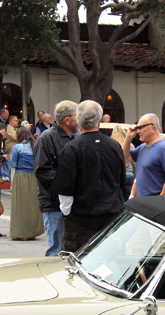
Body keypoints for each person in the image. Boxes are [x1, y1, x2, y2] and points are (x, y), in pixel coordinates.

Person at [53, 100, 126, 253]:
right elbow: (121, 180)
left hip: (81, 219)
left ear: (78, 121)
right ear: (100, 120)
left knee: (80, 262)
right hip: (111, 215)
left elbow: (65, 187)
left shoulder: (72, 148)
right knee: (110, 259)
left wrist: (67, 214)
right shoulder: (114, 146)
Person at [34, 100, 78, 257]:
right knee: (57, 249)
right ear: (67, 120)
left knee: (73, 250)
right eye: (77, 116)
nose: (79, 120)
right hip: (53, 204)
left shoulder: (76, 138)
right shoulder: (46, 139)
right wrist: (70, 183)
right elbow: (42, 171)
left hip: (75, 204)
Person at [123, 113, 165, 197]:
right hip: (143, 203)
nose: (138, 131)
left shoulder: (164, 149)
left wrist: (161, 200)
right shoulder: (142, 148)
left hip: (154, 203)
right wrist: (128, 138)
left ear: (153, 128)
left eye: (140, 127)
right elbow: (125, 157)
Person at [8, 127, 44, 241]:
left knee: (20, 205)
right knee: (32, 205)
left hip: (21, 176)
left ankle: (20, 232)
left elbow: (13, 164)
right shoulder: (34, 146)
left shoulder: (17, 147)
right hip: (33, 176)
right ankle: (32, 232)